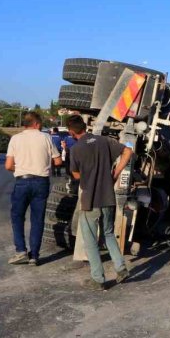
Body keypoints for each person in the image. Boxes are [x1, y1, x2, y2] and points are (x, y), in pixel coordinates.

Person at [67, 114, 134, 291]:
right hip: (108, 197)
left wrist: (88, 177)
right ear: (85, 127)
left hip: (90, 200)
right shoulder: (104, 141)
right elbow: (128, 151)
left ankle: (98, 279)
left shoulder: (76, 149)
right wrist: (116, 172)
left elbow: (75, 175)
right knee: (109, 234)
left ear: (71, 132)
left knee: (90, 240)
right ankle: (121, 268)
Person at [5, 111, 62, 266]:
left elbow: (8, 165)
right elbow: (58, 162)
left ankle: (21, 251)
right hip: (41, 183)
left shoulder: (15, 139)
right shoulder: (46, 137)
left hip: (22, 182)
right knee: (37, 219)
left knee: (17, 217)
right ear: (36, 124)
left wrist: (23, 167)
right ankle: (34, 256)